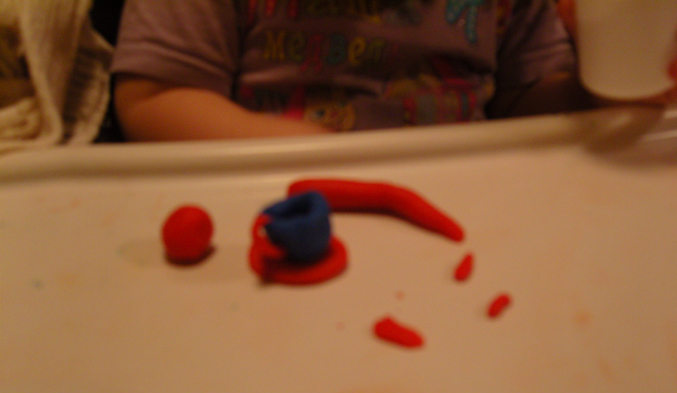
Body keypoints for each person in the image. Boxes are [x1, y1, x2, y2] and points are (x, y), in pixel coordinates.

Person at [110, 0, 672, 142]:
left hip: (476, 211)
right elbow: (154, 98)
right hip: (272, 208)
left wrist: (610, 85)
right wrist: (291, 149)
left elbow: (523, 103)